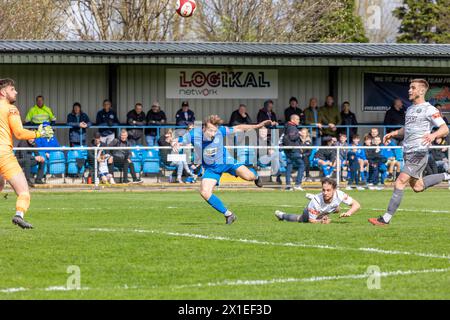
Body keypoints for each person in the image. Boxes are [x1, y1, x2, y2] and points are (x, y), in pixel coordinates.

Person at [369, 79, 450, 226]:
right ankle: (446, 175)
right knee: (418, 187)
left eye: (413, 88)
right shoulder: (410, 109)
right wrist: (393, 133)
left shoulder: (430, 109)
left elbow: (445, 129)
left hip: (419, 152)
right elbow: (408, 129)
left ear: (421, 91)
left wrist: (433, 135)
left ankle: (385, 219)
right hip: (408, 152)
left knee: (400, 182)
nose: (409, 90)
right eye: (409, 88)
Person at [173, 115, 274, 224]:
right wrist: (175, 144)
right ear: (203, 128)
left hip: (227, 162)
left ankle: (256, 176)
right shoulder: (194, 134)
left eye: (214, 131)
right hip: (212, 169)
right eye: (210, 131)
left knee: (249, 177)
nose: (213, 134)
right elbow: (179, 140)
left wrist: (258, 125)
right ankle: (229, 214)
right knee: (204, 192)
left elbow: (238, 128)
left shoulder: (220, 131)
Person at [0, 78, 54, 229]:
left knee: (0, 184)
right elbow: (19, 133)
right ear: (3, 92)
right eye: (12, 89)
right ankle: (19, 215)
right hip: (3, 154)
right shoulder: (11, 108)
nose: (16, 91)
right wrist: (39, 133)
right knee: (24, 192)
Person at [274, 178, 360, 224]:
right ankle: (282, 215)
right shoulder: (315, 202)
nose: (325, 193)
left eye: (328, 190)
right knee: (301, 219)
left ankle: (324, 208)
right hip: (312, 210)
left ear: (334, 190)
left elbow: (356, 204)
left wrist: (349, 212)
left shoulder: (340, 194)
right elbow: (312, 221)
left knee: (337, 209)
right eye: (323, 190)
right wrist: (322, 222)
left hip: (326, 209)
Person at [281, 114, 305, 191]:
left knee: (289, 166)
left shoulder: (287, 126)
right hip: (293, 150)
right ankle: (297, 184)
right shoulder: (292, 127)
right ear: (292, 120)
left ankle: (288, 186)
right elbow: (292, 137)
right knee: (301, 165)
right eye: (297, 119)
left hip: (288, 149)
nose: (299, 121)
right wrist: (299, 134)